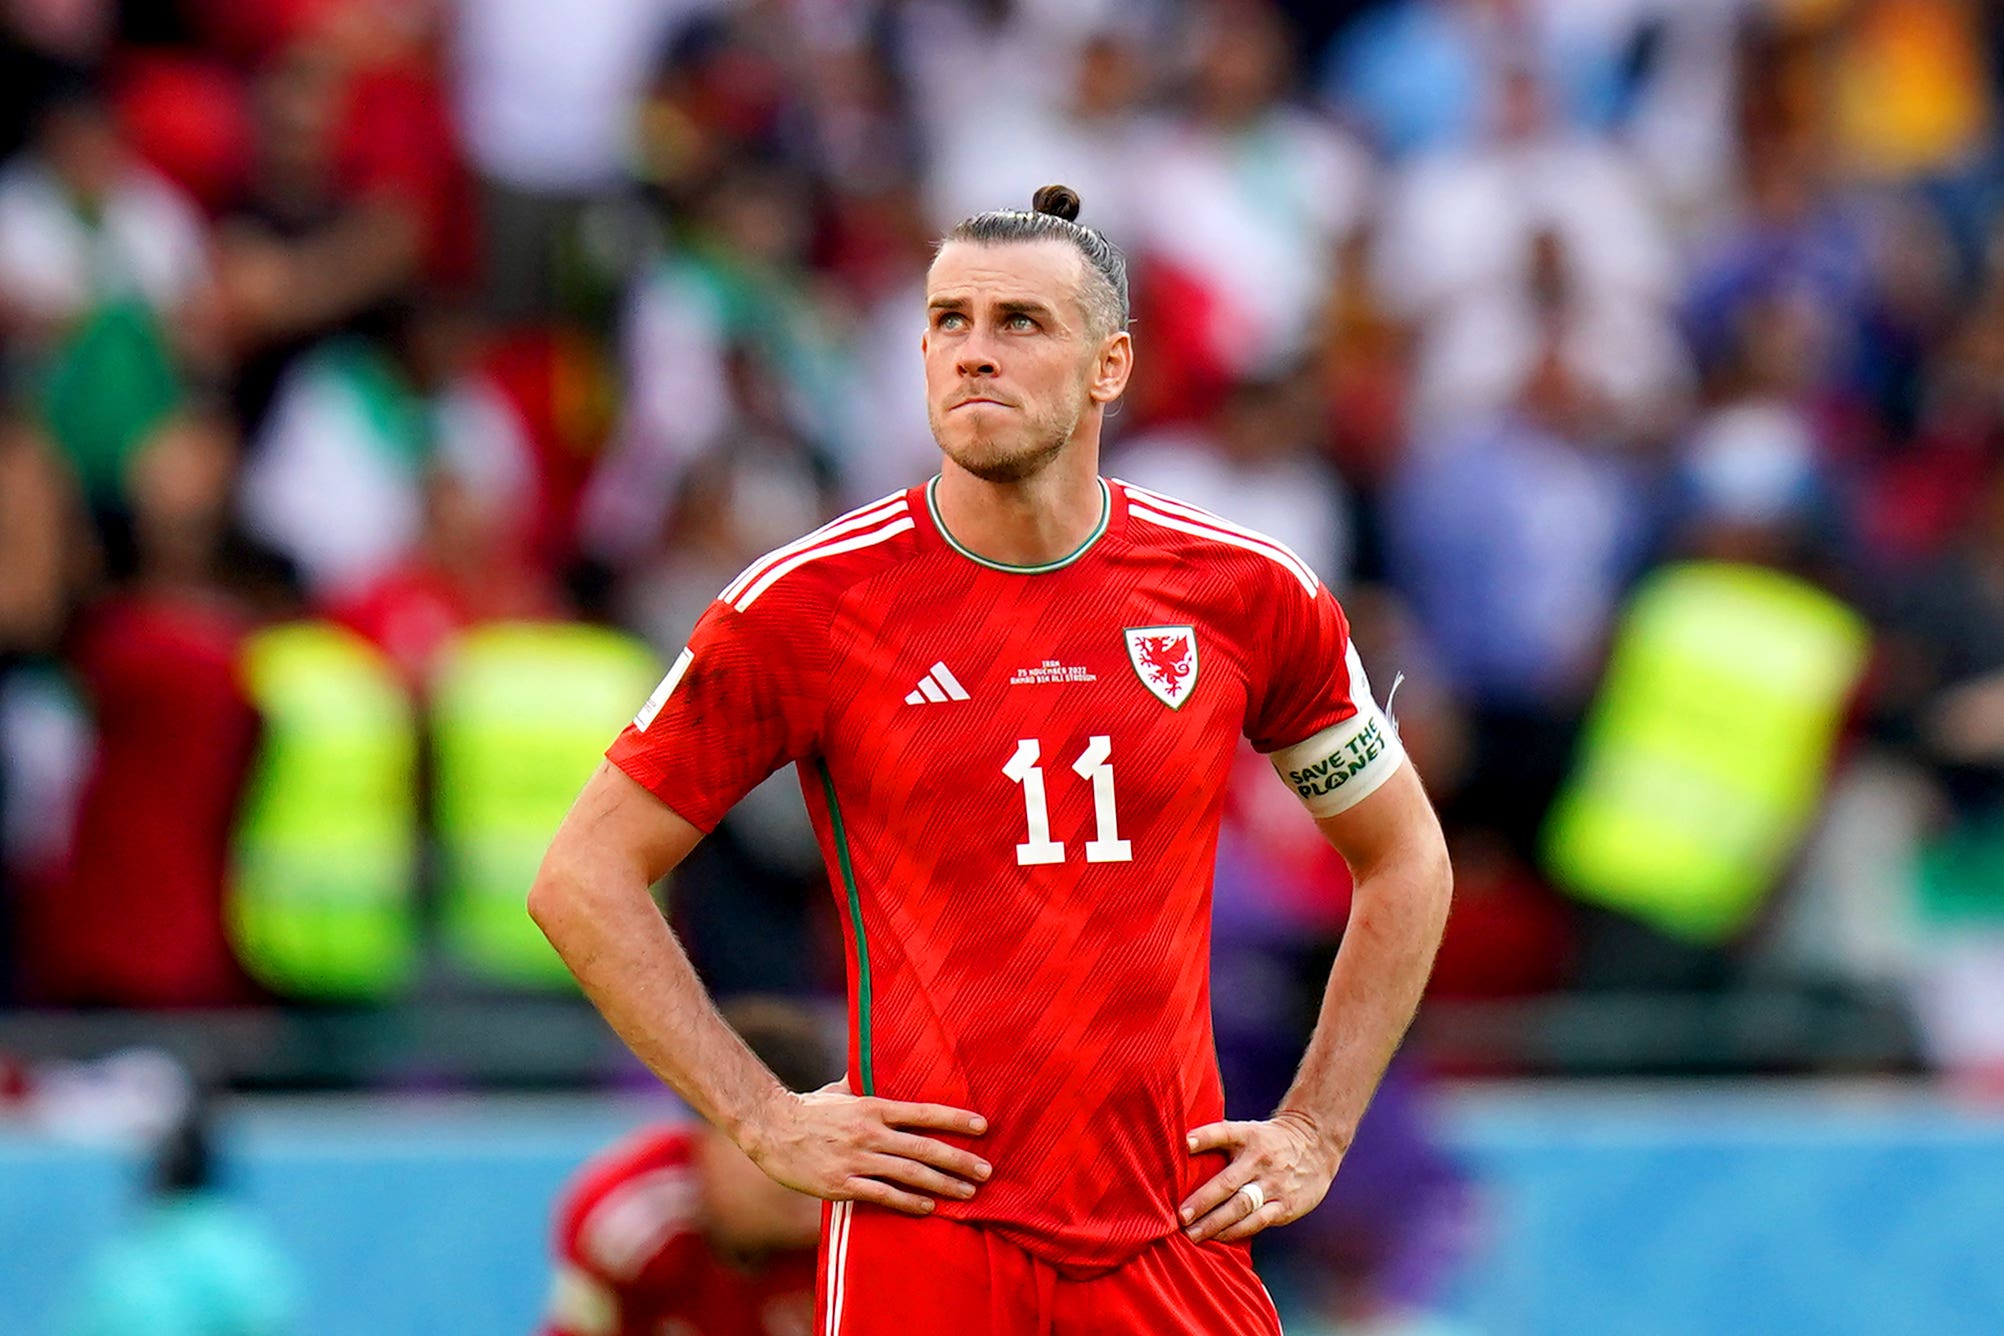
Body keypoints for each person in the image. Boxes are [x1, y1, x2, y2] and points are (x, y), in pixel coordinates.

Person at [530, 185, 1454, 1334]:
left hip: (1174, 1231)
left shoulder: (1244, 593)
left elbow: (1405, 855)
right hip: (928, 1238)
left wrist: (1317, 1126)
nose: (975, 353)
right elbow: (583, 876)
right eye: (949, 321)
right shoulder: (809, 606)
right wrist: (761, 1116)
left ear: (1110, 365)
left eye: (1019, 322)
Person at [541, 998, 839, 1336]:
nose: (795, 1169)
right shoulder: (630, 1219)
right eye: (771, 1145)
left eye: (814, 1144)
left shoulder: (853, 1220)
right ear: (705, 1137)